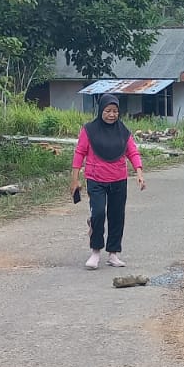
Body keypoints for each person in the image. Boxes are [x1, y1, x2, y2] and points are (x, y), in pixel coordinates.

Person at [72, 94, 146, 270]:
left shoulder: (123, 131)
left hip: (119, 179)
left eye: (115, 111)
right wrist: (74, 179)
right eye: (108, 111)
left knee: (117, 216)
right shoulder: (89, 130)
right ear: (101, 111)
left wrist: (139, 172)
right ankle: (95, 252)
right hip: (95, 179)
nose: (112, 114)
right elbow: (79, 153)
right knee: (98, 214)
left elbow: (132, 153)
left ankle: (113, 254)